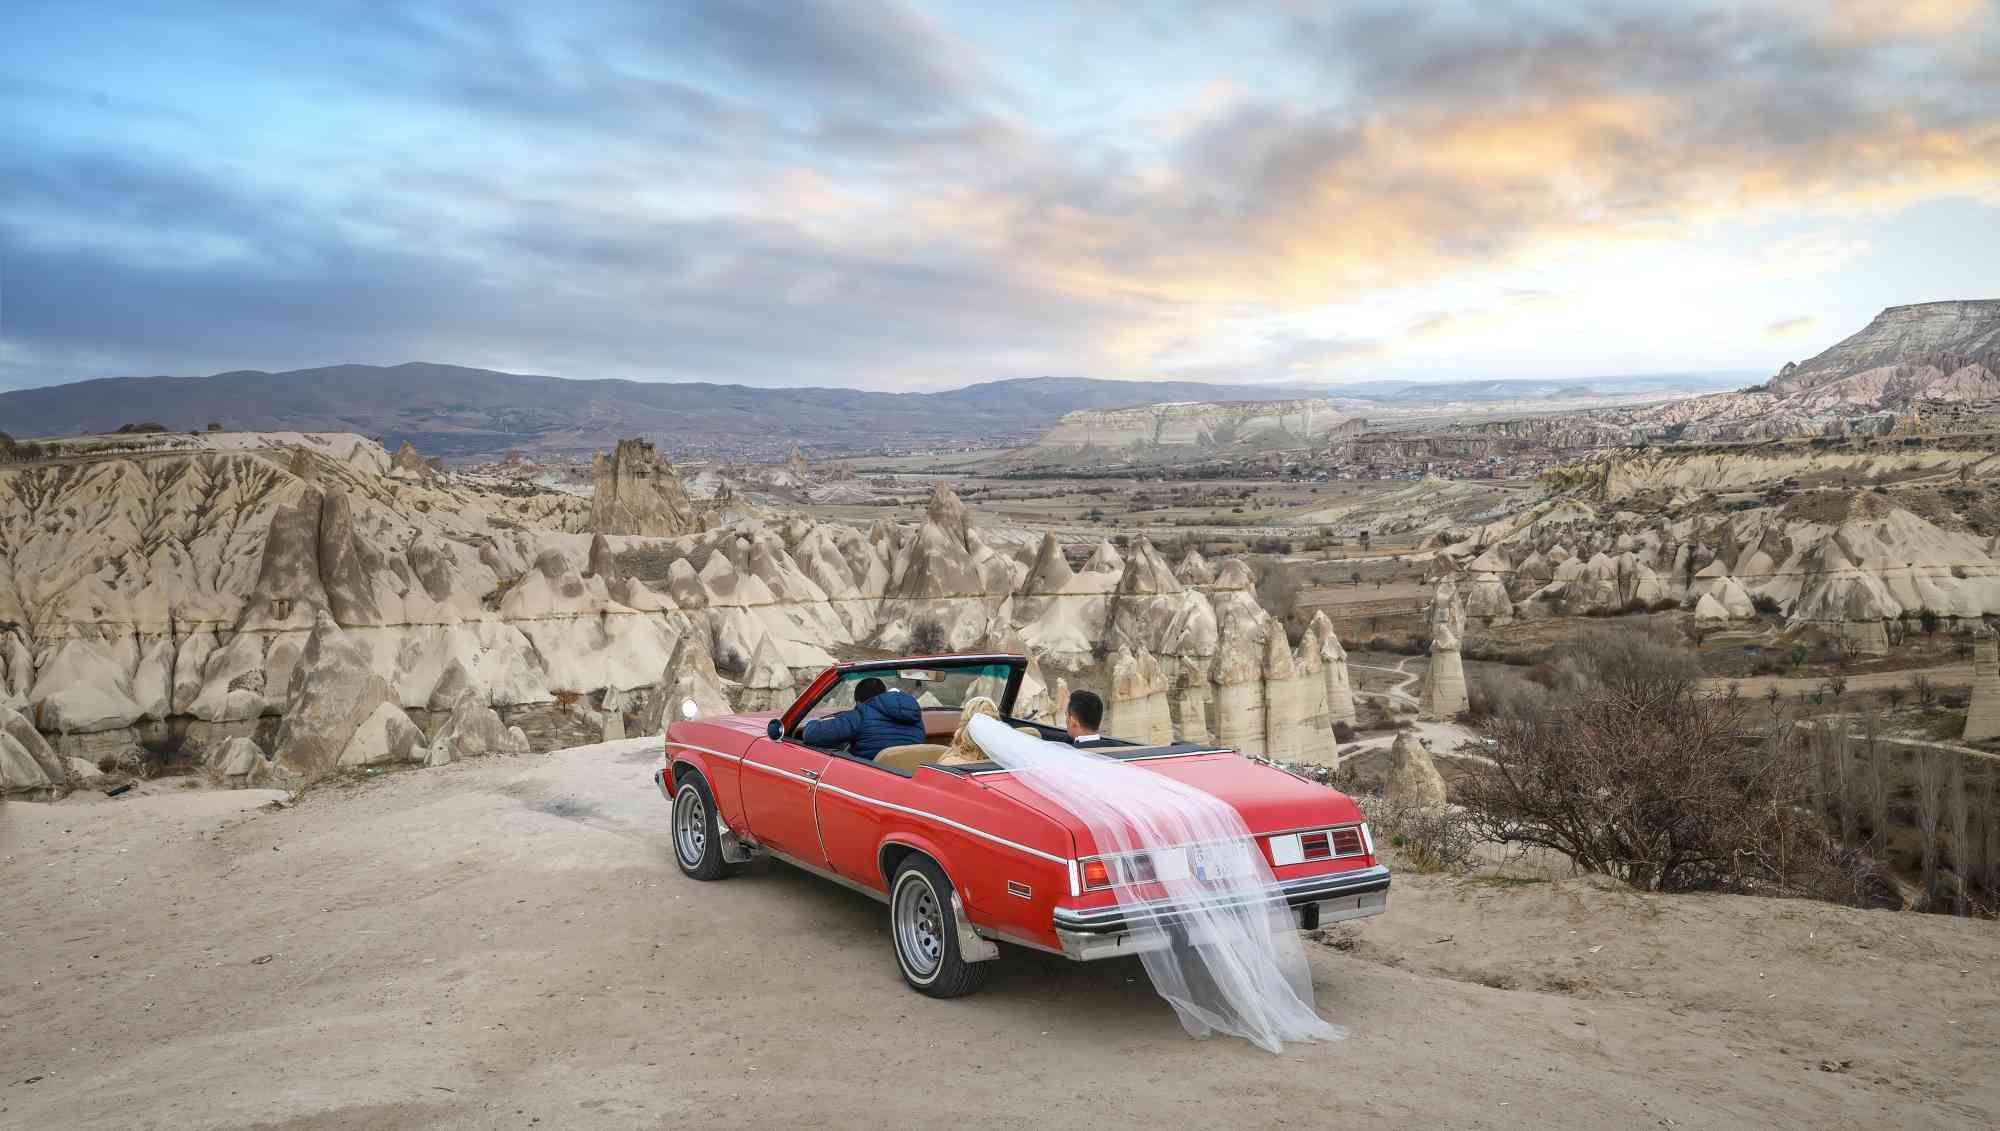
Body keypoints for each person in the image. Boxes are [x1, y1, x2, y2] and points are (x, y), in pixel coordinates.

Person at [798, 676, 924, 761]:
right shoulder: (915, 717)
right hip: (907, 780)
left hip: (870, 781)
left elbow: (811, 734)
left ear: (859, 703)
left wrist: (812, 723)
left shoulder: (861, 714)